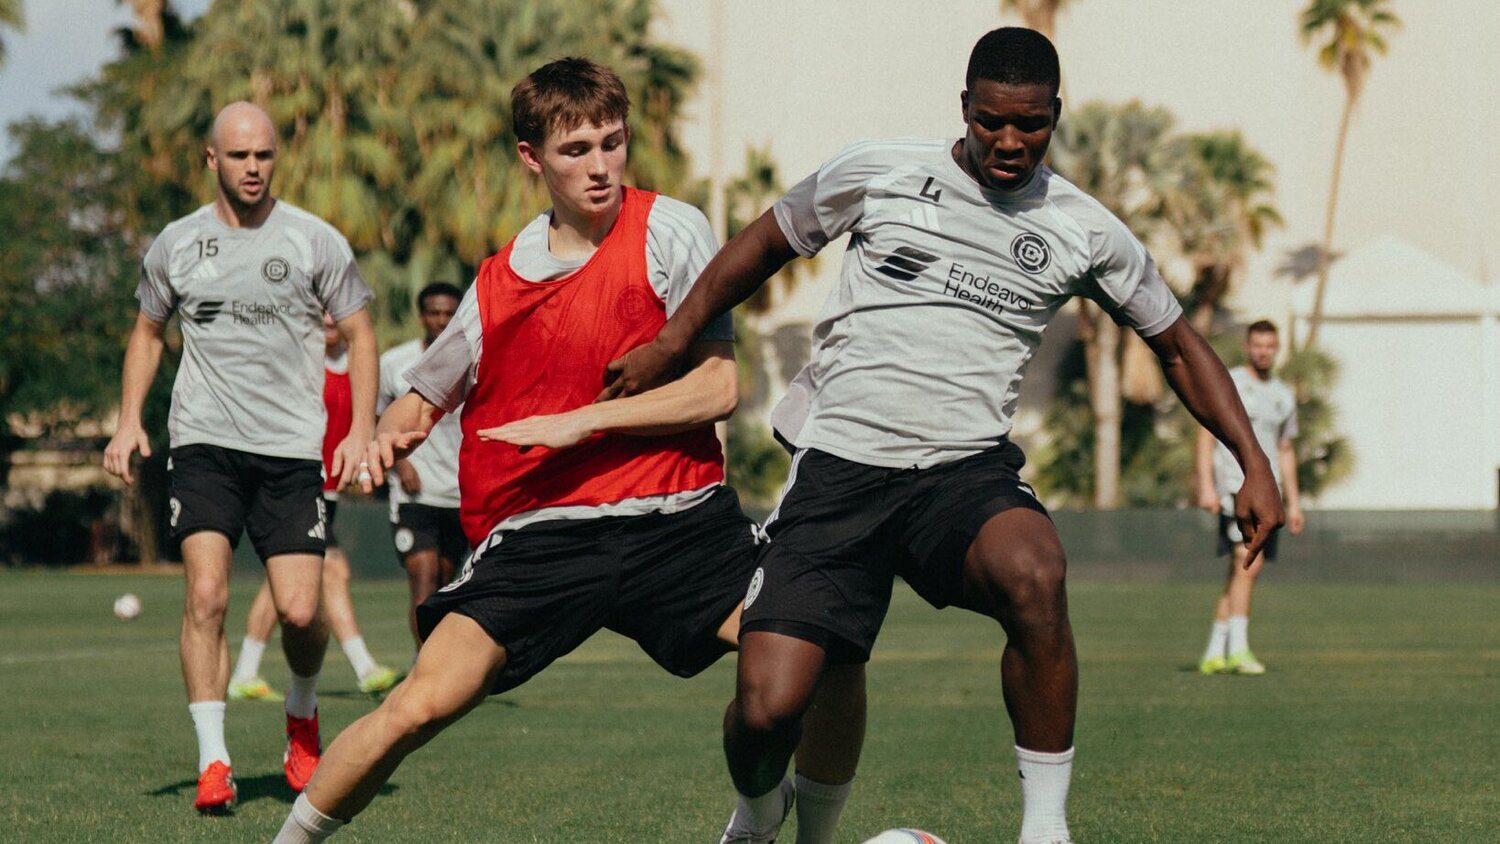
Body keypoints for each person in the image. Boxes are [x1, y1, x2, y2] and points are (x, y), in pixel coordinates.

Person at [600, 27, 1285, 844]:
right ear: (964, 107)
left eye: (1030, 124)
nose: (1009, 141)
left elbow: (1175, 344)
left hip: (961, 475)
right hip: (839, 471)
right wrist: (676, 340)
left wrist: (1255, 461)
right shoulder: (880, 169)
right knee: (765, 710)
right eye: (992, 119)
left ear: (1054, 117)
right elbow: (763, 243)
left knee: (1036, 572)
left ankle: (1045, 828)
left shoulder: (1082, 227)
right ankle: (757, 807)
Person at [273, 57, 864, 844]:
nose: (600, 167)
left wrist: (583, 421)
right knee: (416, 708)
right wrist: (382, 437)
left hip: (678, 525)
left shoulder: (670, 229)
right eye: (576, 149)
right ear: (531, 158)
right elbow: (422, 396)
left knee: (827, 655)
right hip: (540, 537)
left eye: (612, 144)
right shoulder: (495, 287)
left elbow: (715, 391)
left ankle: (773, 822)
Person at [102, 101, 377, 813]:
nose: (253, 168)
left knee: (299, 609)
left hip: (290, 452)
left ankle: (303, 710)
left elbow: (361, 331)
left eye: (264, 156)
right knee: (207, 596)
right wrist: (130, 418)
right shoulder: (176, 244)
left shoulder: (316, 240)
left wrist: (360, 431)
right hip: (203, 445)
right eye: (239, 156)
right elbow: (146, 332)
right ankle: (213, 760)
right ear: (211, 159)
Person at [229, 313, 401, 701]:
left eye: (333, 313)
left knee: (281, 584)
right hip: (299, 485)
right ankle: (365, 667)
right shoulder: (299, 362)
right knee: (333, 571)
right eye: (319, 313)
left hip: (332, 490)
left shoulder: (358, 364)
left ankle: (244, 673)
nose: (327, 321)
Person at [1195, 320, 1304, 675]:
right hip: (1234, 489)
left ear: (1277, 349)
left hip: (1268, 496)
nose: (1263, 351)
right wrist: (1207, 485)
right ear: (1247, 346)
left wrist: (1294, 501)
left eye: (1269, 346)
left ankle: (1214, 651)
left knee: (1241, 571)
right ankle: (1239, 650)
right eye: (1257, 345)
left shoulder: (1283, 395)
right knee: (1247, 563)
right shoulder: (1232, 384)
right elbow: (1206, 435)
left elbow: (1285, 449)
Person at [377, 282, 469, 648]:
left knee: (445, 584)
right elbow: (376, 417)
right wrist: (400, 467)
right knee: (424, 578)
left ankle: (434, 665)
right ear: (421, 317)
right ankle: (423, 667)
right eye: (435, 313)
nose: (441, 321)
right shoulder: (395, 363)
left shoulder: (473, 361)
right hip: (415, 495)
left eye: (449, 314)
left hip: (459, 494)